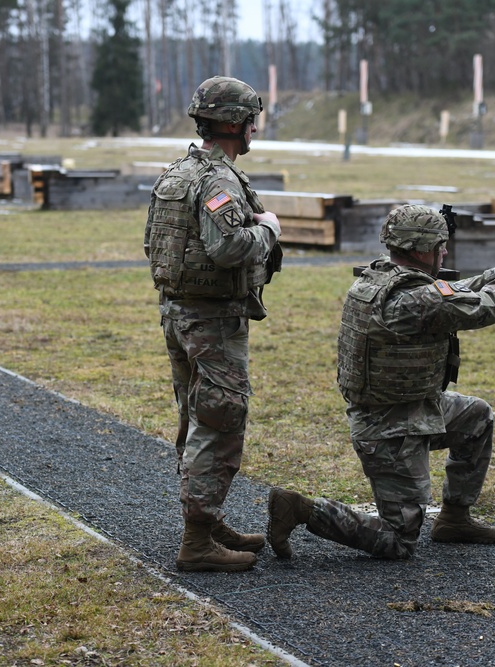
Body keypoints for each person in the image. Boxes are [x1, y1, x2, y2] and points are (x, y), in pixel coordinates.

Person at [267, 204, 495, 561]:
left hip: (414, 407)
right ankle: (301, 510)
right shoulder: (411, 299)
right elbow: (485, 307)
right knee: (398, 541)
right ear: (420, 250)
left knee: (476, 417)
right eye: (440, 245)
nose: (445, 251)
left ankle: (455, 519)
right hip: (390, 431)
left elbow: (448, 293)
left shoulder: (382, 276)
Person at [144, 76, 283, 573]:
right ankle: (198, 540)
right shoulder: (218, 180)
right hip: (210, 320)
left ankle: (207, 520)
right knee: (219, 422)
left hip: (178, 312)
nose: (253, 131)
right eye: (249, 122)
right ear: (233, 123)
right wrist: (266, 232)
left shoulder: (178, 172)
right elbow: (227, 248)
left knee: (196, 418)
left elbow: (153, 242)